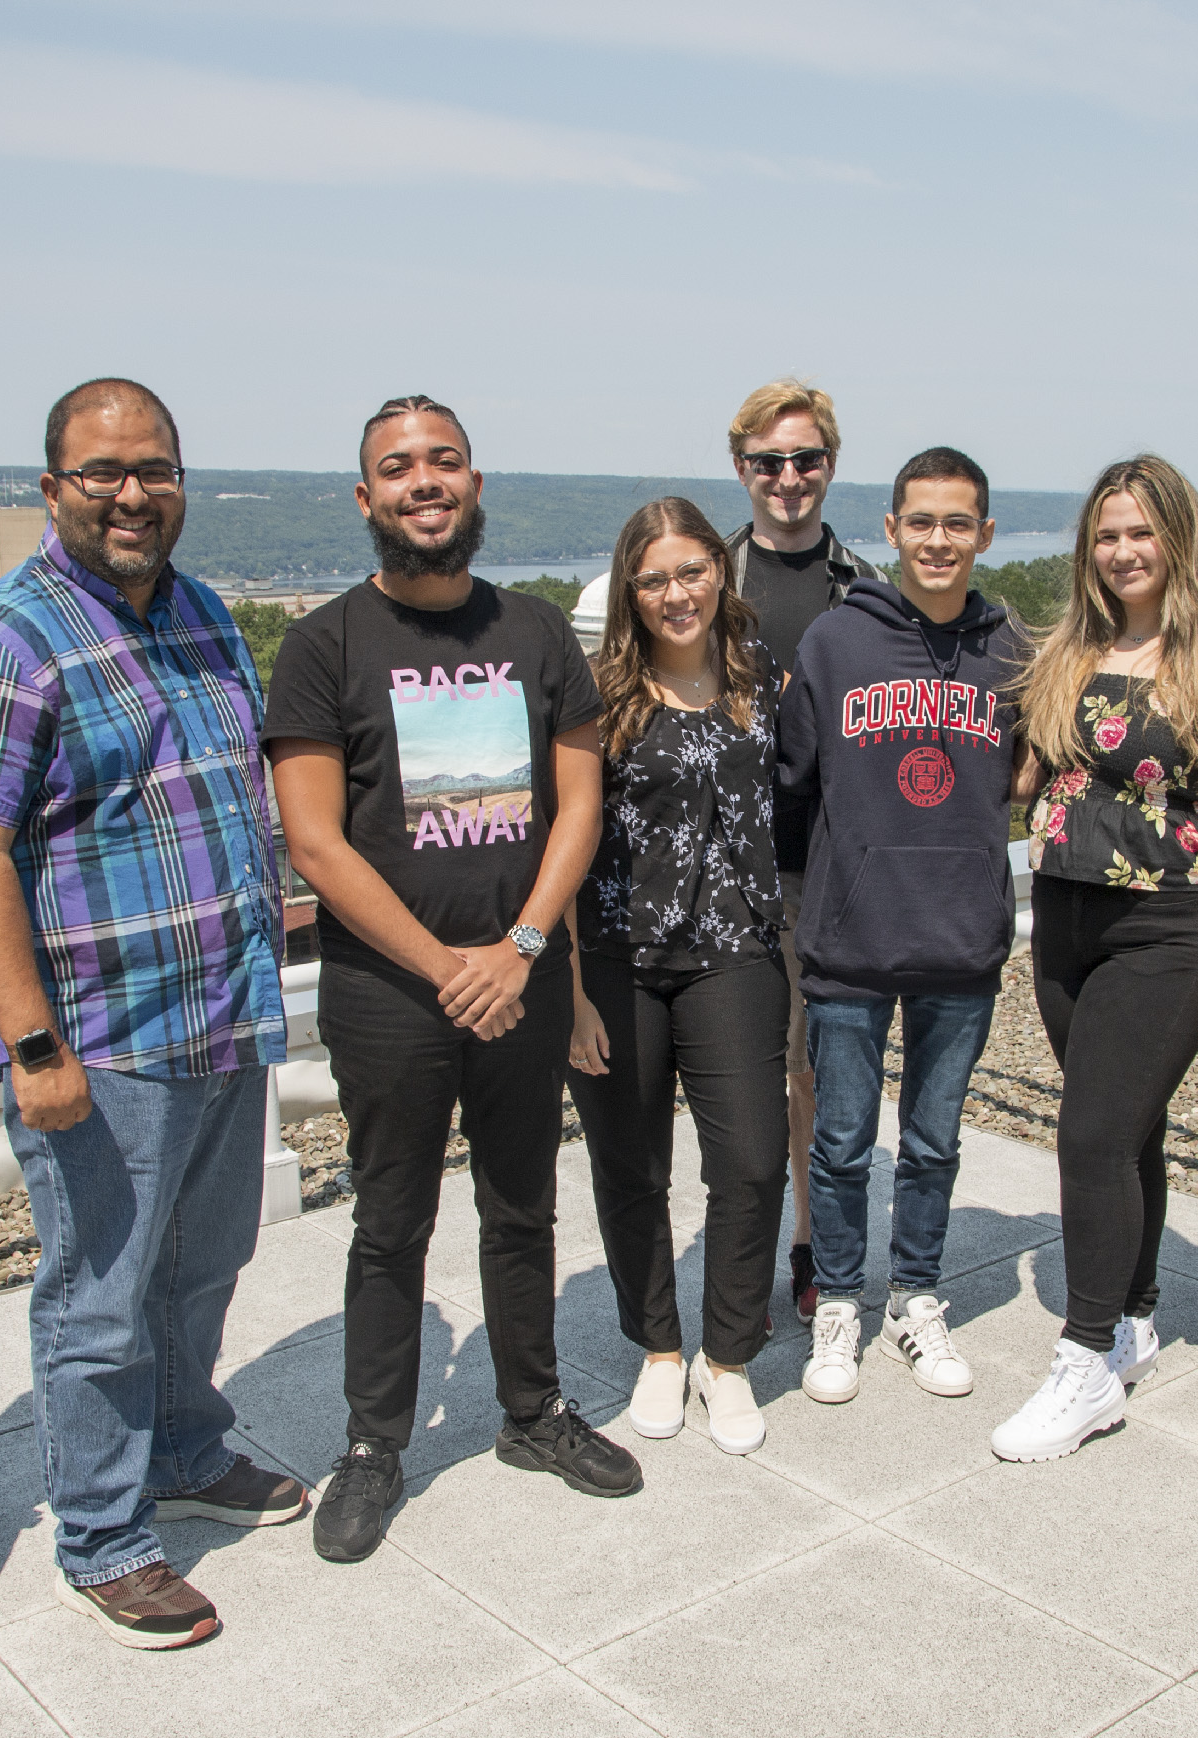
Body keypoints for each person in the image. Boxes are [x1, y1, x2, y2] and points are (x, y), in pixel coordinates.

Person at [0, 378, 304, 1653]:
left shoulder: (199, 614)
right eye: (103, 473)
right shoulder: (4, 639)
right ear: (53, 490)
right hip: (100, 1040)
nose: (132, 493)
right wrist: (32, 1047)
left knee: (205, 1264)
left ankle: (189, 1448)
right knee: (99, 1295)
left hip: (219, 1012)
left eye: (155, 469)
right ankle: (101, 1534)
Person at [269, 395, 639, 1566]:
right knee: (391, 1222)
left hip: (520, 975)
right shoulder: (324, 646)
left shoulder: (533, 631)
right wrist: (447, 967)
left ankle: (531, 1410)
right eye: (397, 468)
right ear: (366, 498)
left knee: (522, 1206)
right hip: (391, 994)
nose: (423, 482)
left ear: (475, 485)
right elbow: (316, 843)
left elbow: (578, 804)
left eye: (444, 461)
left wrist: (522, 949)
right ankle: (375, 1445)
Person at [989, 457, 1198, 1462]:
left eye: (1141, 532)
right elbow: (1029, 774)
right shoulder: (1070, 647)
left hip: (1168, 924)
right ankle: (1134, 1314)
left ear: (1178, 539)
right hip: (1066, 916)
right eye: (1107, 534)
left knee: (1089, 1134)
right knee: (1128, 1128)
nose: (1123, 552)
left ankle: (1083, 1363)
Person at [777, 446, 1027, 1407]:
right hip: (849, 943)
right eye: (919, 521)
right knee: (839, 1143)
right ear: (890, 529)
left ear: (985, 534)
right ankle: (839, 1298)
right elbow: (791, 787)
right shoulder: (836, 645)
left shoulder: (1010, 651)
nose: (937, 539)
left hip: (961, 941)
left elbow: (1026, 775)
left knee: (933, 1144)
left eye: (957, 522)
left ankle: (915, 1299)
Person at [566, 497, 788, 1456]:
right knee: (629, 1165)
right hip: (616, 960)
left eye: (691, 570)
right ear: (629, 590)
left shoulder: (762, 680)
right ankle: (659, 1345)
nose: (676, 593)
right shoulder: (596, 698)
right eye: (653, 578)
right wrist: (570, 990)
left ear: (720, 571)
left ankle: (726, 1357)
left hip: (735, 954)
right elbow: (560, 848)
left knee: (749, 1161)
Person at [723, 380, 874, 1320]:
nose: (788, 478)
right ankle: (736, 1244)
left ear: (830, 465)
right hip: (725, 869)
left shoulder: (860, 589)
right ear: (740, 467)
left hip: (821, 867)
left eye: (806, 459)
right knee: (738, 1075)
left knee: (813, 1073)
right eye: (769, 461)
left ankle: (813, 1249)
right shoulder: (710, 576)